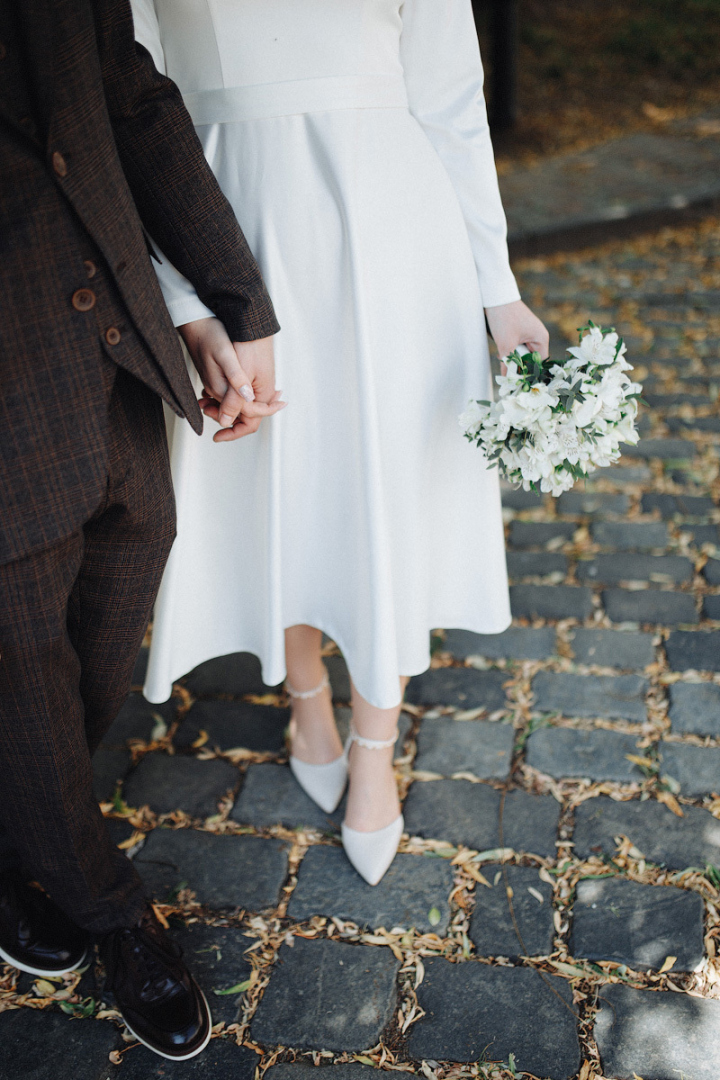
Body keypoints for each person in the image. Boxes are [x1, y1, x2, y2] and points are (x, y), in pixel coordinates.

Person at [133, 0, 549, 886]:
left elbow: (450, 98)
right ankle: (307, 700)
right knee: (269, 467)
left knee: (379, 479)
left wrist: (497, 287)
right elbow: (128, 100)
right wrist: (182, 299)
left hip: (394, 233)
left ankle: (374, 743)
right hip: (223, 211)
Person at [0, 0, 283, 1062]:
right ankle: (112, 911)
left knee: (105, 633)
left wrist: (233, 299)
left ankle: (21, 831)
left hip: (115, 353)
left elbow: (129, 99)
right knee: (22, 663)